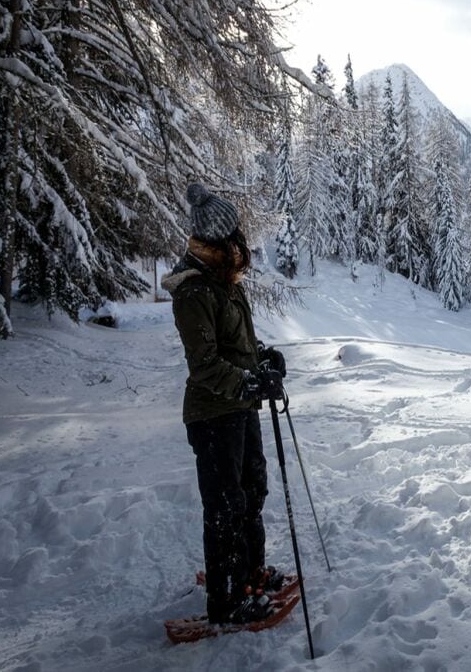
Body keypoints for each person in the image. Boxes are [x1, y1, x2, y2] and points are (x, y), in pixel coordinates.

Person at [161, 183, 289, 624]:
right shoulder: (196, 290)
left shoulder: (225, 282)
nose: (242, 239)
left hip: (239, 407)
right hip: (213, 414)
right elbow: (206, 365)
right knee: (225, 508)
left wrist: (264, 358)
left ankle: (250, 571)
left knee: (253, 490)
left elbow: (237, 346)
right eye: (235, 232)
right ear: (219, 239)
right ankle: (226, 599)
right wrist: (251, 383)